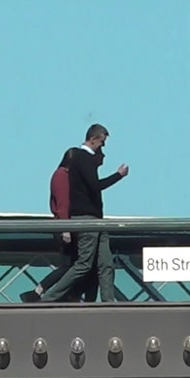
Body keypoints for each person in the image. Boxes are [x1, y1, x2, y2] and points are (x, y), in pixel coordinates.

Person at [41, 124, 128, 302]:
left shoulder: (80, 160)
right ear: (93, 139)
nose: (102, 148)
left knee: (105, 263)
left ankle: (108, 301)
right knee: (84, 264)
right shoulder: (83, 158)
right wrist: (118, 175)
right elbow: (95, 186)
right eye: (101, 143)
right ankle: (49, 297)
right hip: (87, 218)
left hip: (96, 219)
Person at [21, 147, 97, 303]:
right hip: (64, 225)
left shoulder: (66, 176)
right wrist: (66, 228)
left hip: (66, 224)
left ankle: (53, 293)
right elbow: (63, 204)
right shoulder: (62, 176)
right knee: (68, 265)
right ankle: (40, 291)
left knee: (73, 265)